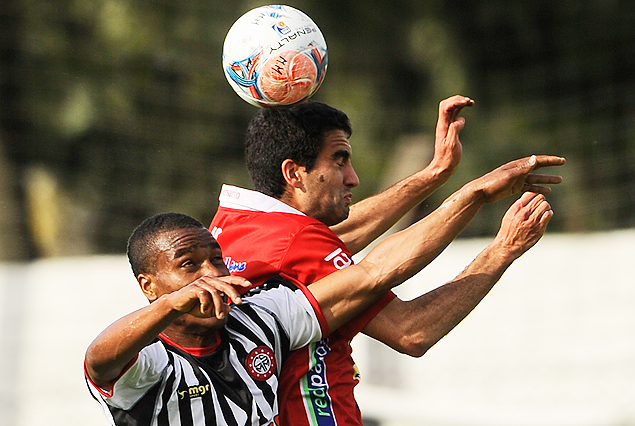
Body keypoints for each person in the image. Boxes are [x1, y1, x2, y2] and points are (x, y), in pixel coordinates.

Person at [209, 97, 566, 426]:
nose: (353, 177)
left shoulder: (233, 223)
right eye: (339, 160)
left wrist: (436, 172)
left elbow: (332, 235)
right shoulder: (298, 240)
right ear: (294, 173)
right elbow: (412, 330)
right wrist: (500, 244)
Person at [85, 189, 554, 426]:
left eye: (215, 259)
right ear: (148, 286)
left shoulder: (260, 318)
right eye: (189, 266)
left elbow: (372, 274)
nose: (210, 273)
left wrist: (479, 213)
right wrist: (170, 307)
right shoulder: (148, 363)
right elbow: (98, 359)